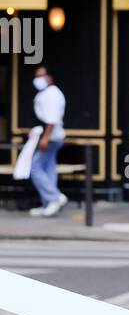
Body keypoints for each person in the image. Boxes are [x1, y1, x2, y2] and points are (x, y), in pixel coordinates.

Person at [28, 66, 67, 218]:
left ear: (50, 77)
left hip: (51, 138)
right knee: (48, 168)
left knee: (35, 168)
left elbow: (51, 119)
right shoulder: (47, 93)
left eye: (42, 76)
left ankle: (54, 197)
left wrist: (45, 137)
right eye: (37, 76)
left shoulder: (52, 94)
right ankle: (48, 204)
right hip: (51, 137)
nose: (38, 79)